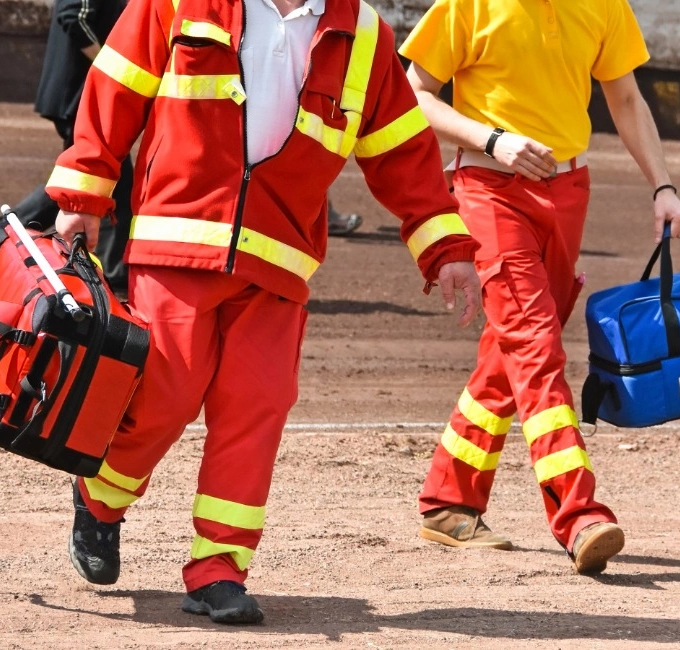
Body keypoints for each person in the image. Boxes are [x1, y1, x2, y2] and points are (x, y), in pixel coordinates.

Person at [46, 0, 482, 625]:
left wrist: (445, 246)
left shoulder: (363, 33)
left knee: (259, 403)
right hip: (178, 236)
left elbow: (401, 150)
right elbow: (115, 84)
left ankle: (218, 568)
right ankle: (101, 499)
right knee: (165, 392)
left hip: (280, 256)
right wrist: (84, 187)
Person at [400, 0, 680, 574]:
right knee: (535, 347)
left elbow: (627, 99)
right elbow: (413, 90)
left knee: (509, 355)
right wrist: (492, 140)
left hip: (568, 191)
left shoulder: (605, 7)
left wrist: (664, 186)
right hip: (488, 187)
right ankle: (579, 514)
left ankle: (448, 503)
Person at [0, 0, 133, 296]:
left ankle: (114, 271)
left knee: (99, 177)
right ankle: (5, 229)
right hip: (80, 92)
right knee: (92, 176)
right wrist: (109, 70)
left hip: (83, 91)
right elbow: (74, 16)